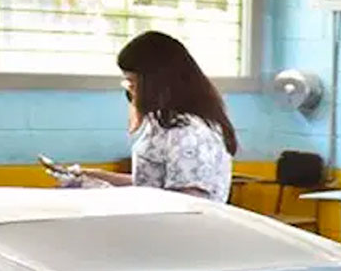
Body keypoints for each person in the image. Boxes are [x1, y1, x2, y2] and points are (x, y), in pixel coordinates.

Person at [79, 31, 236, 202]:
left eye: (133, 82)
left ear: (156, 83)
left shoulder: (187, 132)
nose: (130, 91)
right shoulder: (163, 123)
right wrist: (97, 178)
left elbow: (189, 204)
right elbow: (151, 185)